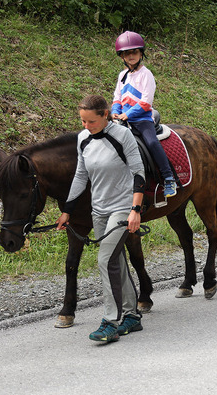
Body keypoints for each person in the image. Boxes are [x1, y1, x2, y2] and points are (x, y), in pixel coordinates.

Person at [56, 95, 145, 343]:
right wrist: (68, 210)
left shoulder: (122, 136)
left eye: (91, 121)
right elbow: (81, 176)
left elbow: (139, 172)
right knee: (116, 260)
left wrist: (135, 209)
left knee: (105, 259)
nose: (86, 126)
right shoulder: (83, 139)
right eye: (82, 121)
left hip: (123, 207)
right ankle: (131, 315)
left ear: (105, 114)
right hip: (99, 210)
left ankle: (110, 320)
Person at [111, 31, 177, 197]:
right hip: (123, 120)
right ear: (122, 56)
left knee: (152, 142)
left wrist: (128, 114)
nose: (131, 56)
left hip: (142, 119)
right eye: (127, 53)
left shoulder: (146, 74)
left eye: (134, 52)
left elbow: (146, 101)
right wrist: (115, 112)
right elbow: (117, 97)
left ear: (141, 53)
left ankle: (168, 177)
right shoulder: (122, 76)